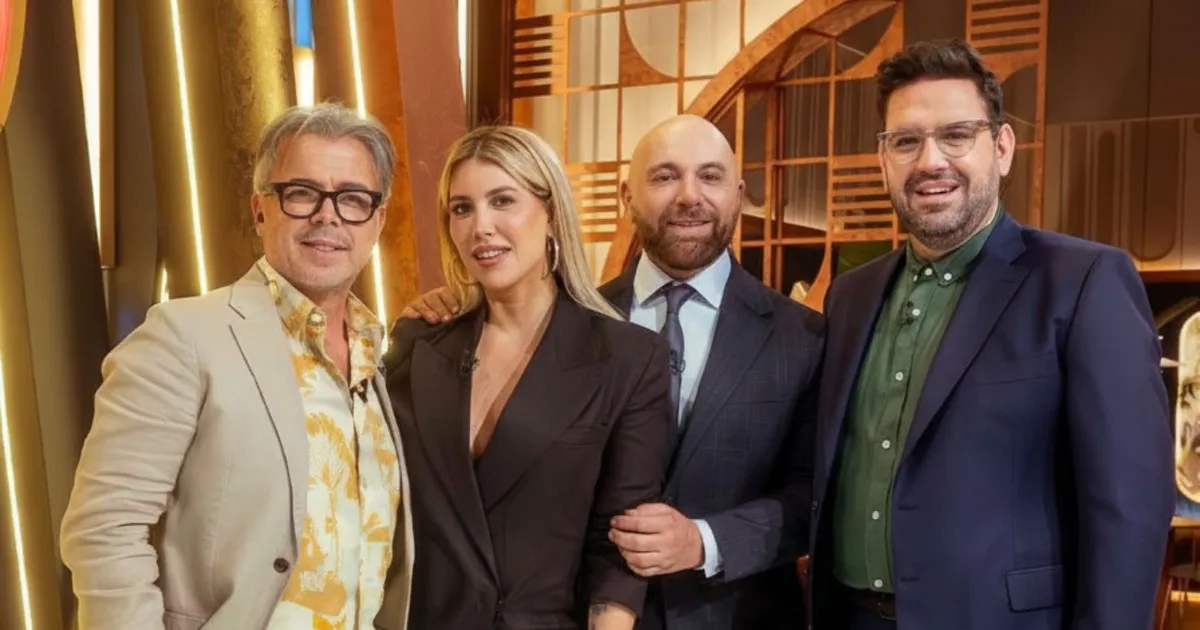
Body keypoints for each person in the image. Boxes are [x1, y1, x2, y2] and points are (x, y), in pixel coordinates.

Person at [401, 114, 824, 629]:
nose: (689, 196)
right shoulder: (582, 322)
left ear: (739, 194)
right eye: (665, 176)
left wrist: (705, 541)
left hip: (731, 615)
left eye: (710, 176)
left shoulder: (802, 337)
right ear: (627, 197)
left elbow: (817, 499)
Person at [807, 39, 1174, 630]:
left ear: (1001, 148)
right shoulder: (850, 295)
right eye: (906, 141)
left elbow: (1128, 507)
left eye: (956, 135)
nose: (930, 161)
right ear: (883, 159)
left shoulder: (1082, 282)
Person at [60, 103, 414, 630]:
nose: (329, 215)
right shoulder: (184, 336)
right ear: (260, 210)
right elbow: (105, 529)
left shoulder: (378, 358)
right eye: (302, 193)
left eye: (353, 198)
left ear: (378, 221)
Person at [377, 125, 671, 630]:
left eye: (502, 201)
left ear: (551, 213)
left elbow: (618, 547)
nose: (481, 227)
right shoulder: (418, 343)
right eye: (462, 208)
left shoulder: (627, 357)